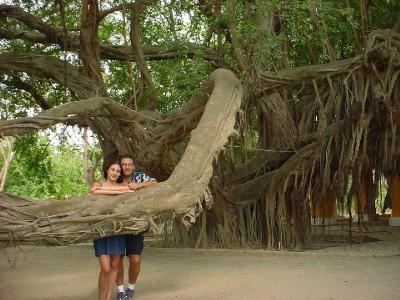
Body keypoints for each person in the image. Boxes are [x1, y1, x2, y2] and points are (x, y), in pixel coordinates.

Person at [115, 154, 157, 300]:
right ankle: (120, 290)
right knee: (117, 259)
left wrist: (138, 186)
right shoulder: (116, 177)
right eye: (123, 164)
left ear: (133, 166)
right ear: (120, 165)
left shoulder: (139, 177)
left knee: (135, 259)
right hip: (117, 226)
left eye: (129, 164)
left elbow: (155, 183)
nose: (126, 167)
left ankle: (130, 288)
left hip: (135, 226)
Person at [91, 159, 133, 300]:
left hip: (117, 228)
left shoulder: (123, 185)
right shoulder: (98, 184)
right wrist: (115, 191)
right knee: (106, 268)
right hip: (101, 229)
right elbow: (94, 192)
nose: (115, 173)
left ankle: (108, 298)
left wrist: (104, 191)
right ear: (107, 170)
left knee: (115, 265)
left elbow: (128, 189)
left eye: (118, 171)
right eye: (113, 170)